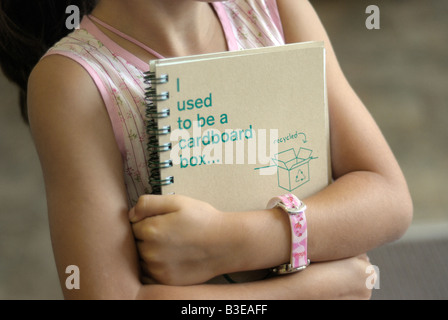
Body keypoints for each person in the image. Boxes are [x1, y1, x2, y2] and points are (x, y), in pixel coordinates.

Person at [0, 0, 412, 299]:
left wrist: (230, 240)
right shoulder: (73, 83)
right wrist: (314, 288)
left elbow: (389, 199)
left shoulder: (275, 9)